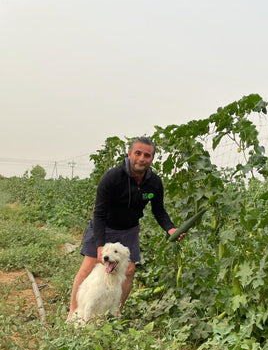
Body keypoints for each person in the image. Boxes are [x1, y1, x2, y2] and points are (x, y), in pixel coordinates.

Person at [67, 136, 183, 321]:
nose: (142, 158)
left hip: (129, 229)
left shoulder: (154, 183)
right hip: (104, 226)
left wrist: (170, 228)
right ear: (129, 154)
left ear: (152, 159)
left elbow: (159, 211)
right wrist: (99, 245)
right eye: (138, 153)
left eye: (147, 155)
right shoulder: (112, 178)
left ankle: (114, 313)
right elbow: (99, 213)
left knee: (128, 270)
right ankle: (74, 313)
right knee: (89, 266)